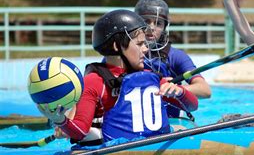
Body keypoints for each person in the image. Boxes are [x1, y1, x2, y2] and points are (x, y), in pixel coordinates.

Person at [38, 9, 198, 143]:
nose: (145, 50)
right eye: (140, 44)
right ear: (116, 46)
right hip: (111, 146)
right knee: (90, 136)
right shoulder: (94, 81)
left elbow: (192, 106)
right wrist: (60, 120)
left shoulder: (151, 77)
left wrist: (180, 92)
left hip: (151, 141)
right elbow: (80, 131)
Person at [134, 0, 211, 117]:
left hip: (170, 122)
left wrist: (177, 89)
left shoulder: (176, 56)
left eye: (158, 23)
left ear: (164, 28)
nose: (151, 27)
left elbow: (205, 90)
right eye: (146, 22)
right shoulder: (123, 54)